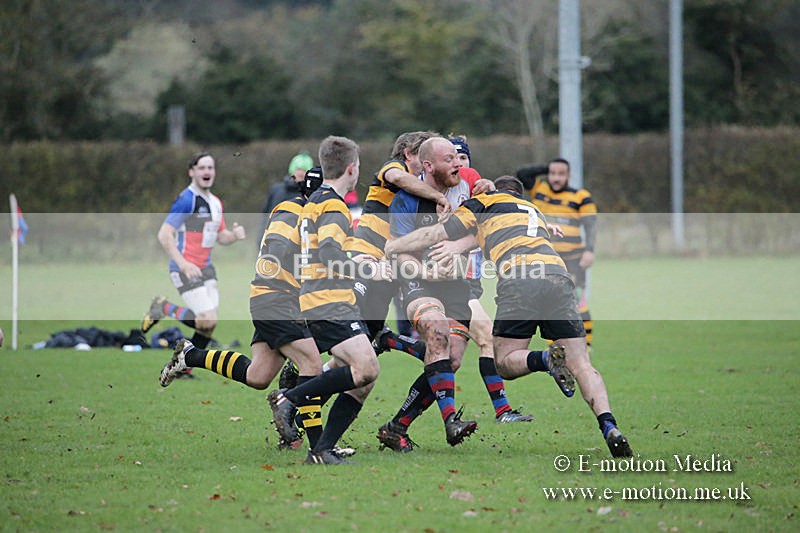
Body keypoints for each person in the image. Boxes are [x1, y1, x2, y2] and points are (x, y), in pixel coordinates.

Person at [383, 175, 633, 458]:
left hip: (520, 278)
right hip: (559, 277)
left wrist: (393, 246)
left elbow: (436, 234)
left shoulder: (485, 203)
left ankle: (546, 359)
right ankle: (609, 425)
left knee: (503, 361)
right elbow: (477, 239)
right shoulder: (533, 212)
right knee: (582, 363)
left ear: (494, 191)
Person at [158, 167, 333, 454]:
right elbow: (275, 247)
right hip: (277, 300)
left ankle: (190, 355)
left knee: (258, 376)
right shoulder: (291, 209)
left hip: (280, 300)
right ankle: (321, 448)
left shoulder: (315, 217)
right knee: (311, 365)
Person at [267, 135, 392, 465]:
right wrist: (368, 273)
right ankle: (289, 399)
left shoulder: (315, 201)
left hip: (320, 297)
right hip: (328, 300)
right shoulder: (335, 205)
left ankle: (321, 449)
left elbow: (325, 249)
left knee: (363, 379)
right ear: (351, 169)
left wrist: (361, 263)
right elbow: (329, 252)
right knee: (366, 367)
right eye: (359, 167)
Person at [376, 136, 479, 451]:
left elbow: (484, 230)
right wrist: (428, 272)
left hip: (458, 285)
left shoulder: (470, 187)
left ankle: (396, 427)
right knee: (436, 331)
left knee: (452, 360)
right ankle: (451, 421)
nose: (457, 163)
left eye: (458, 158)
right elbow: (398, 252)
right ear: (428, 165)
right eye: (449, 159)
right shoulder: (406, 200)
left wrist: (458, 248)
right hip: (418, 281)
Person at [141, 152, 246, 362]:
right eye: (202, 168)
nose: (207, 172)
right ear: (192, 172)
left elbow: (221, 237)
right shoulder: (186, 200)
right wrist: (183, 263)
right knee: (207, 319)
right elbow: (164, 234)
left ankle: (183, 367)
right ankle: (163, 307)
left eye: (211, 167)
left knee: (207, 325)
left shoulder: (215, 202)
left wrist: (234, 236)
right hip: (185, 268)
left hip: (207, 269)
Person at [519, 158, 596, 345]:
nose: (556, 178)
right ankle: (556, 347)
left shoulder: (581, 196)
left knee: (578, 301)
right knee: (550, 301)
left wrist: (589, 251)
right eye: (553, 173)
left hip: (574, 259)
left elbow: (591, 226)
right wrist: (548, 166)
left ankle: (585, 346)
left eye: (561, 174)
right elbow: (522, 174)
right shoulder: (540, 190)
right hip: (547, 259)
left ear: (569, 175)